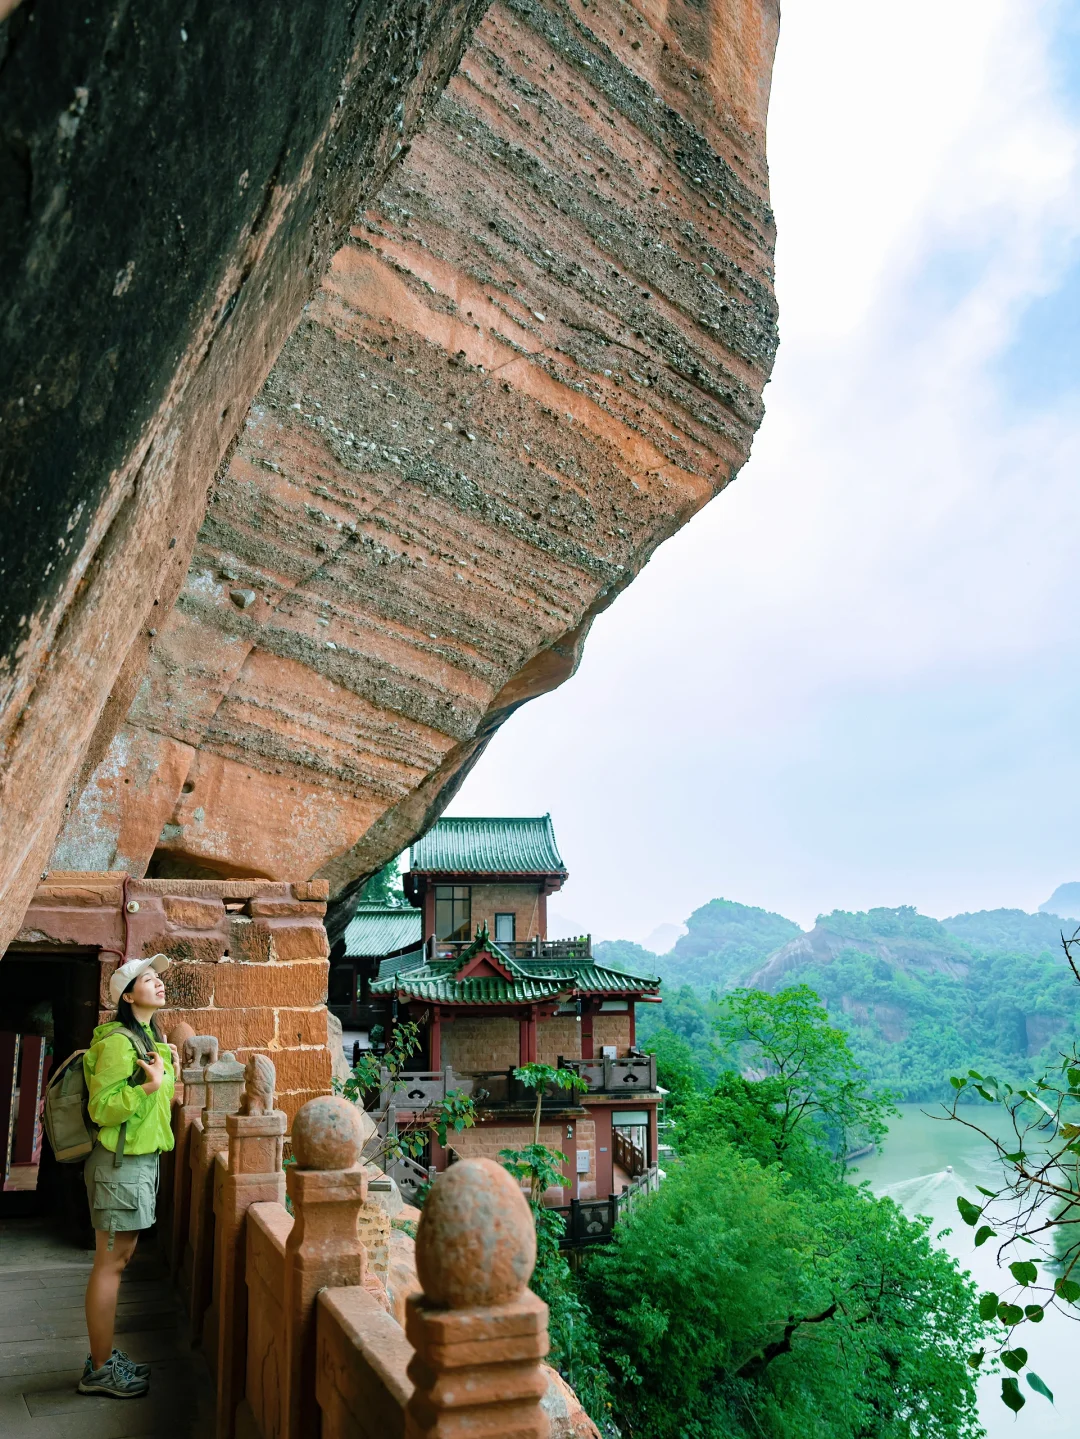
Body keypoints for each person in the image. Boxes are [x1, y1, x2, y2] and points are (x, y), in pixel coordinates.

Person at [78, 954, 178, 1399]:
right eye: (149, 980)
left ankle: (101, 1357)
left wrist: (166, 1066)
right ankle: (98, 1370)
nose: (158, 984)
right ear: (126, 994)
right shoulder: (120, 1043)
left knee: (118, 1261)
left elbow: (165, 1103)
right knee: (111, 1264)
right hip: (119, 1166)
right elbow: (102, 1108)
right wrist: (148, 1085)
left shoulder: (147, 1037)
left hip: (138, 1163)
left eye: (159, 979)